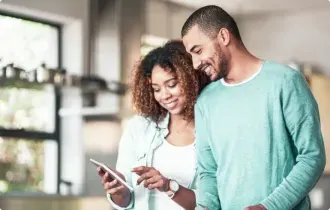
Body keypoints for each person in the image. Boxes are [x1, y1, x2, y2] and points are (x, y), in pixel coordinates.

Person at [181, 5, 326, 210]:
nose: (195, 63)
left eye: (198, 50)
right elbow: (208, 172)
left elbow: (312, 156)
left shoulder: (285, 81)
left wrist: (269, 206)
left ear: (223, 36)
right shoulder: (205, 101)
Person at [97, 40, 209, 210]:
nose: (165, 95)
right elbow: (126, 202)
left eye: (171, 85)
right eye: (156, 89)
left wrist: (168, 186)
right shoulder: (138, 128)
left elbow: (211, 202)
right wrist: (118, 192)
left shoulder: (212, 130)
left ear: (191, 79)